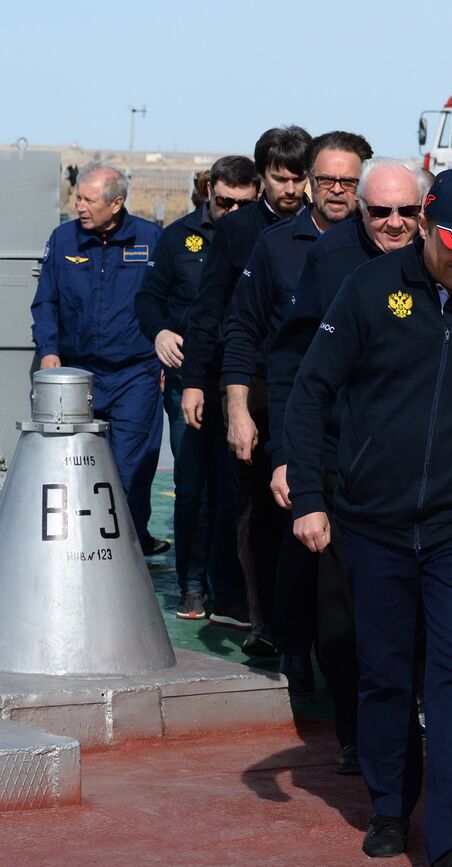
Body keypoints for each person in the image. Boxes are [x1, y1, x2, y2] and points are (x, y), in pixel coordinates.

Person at [283, 168, 452, 867]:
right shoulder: (369, 291)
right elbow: (312, 393)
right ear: (427, 226)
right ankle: (392, 803)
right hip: (373, 519)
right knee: (387, 670)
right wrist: (310, 494)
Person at [263, 155, 427, 772]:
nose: (392, 223)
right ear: (360, 208)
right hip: (337, 458)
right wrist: (289, 460)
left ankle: (404, 716)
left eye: (405, 212)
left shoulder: (444, 261)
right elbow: (291, 368)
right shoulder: (332, 260)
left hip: (415, 466)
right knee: (339, 607)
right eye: (379, 211)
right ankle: (357, 733)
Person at [221, 130, 371, 660]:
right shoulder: (275, 246)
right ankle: (280, 637)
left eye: (348, 181)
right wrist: (237, 409)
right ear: (310, 181)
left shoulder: (382, 249)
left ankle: (332, 648)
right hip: (285, 408)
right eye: (326, 179)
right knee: (275, 529)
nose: (336, 190)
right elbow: (241, 329)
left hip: (361, 427)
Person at [181, 125, 312, 629]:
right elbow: (209, 308)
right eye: (280, 179)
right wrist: (195, 379)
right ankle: (241, 602)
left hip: (303, 383)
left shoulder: (323, 231)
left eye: (299, 179)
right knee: (243, 499)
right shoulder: (237, 231)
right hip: (247, 381)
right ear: (262, 179)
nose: (291, 191)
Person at [134, 154, 258, 620]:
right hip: (190, 381)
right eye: (224, 201)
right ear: (210, 192)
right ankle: (191, 585)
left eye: (243, 203)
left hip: (241, 383)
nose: (232, 212)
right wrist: (160, 332)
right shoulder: (178, 238)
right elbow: (148, 298)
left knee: (235, 491)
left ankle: (229, 589)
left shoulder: (263, 238)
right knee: (191, 488)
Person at [30, 160, 167, 555]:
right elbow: (46, 302)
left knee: (130, 468)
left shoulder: (152, 239)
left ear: (117, 203)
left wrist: (165, 359)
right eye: (78, 197)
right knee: (73, 463)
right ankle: (79, 545)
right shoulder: (62, 240)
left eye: (89, 200)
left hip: (136, 374)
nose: (80, 206)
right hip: (78, 373)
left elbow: (169, 303)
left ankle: (126, 548)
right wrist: (50, 351)